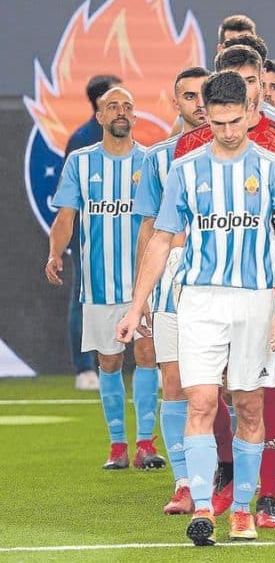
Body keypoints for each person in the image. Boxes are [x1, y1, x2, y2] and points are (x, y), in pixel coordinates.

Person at [117, 71, 275, 545]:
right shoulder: (185, 169)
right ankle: (203, 508)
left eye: (235, 121)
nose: (227, 131)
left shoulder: (274, 168)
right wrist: (137, 307)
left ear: (250, 112)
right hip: (199, 299)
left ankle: (242, 510)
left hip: (256, 301)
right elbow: (161, 240)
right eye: (218, 123)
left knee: (250, 406)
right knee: (199, 400)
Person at [174, 44, 275, 529]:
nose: (246, 89)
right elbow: (172, 227)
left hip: (271, 289)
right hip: (204, 291)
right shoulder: (189, 149)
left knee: (263, 392)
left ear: (261, 84)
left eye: (252, 80)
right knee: (206, 391)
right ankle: (222, 478)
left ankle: (266, 497)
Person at [46, 87, 163, 471]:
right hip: (99, 284)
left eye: (127, 106)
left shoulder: (150, 162)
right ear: (99, 117)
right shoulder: (80, 162)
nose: (120, 111)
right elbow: (66, 217)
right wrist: (54, 253)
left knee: (147, 355)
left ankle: (145, 443)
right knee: (109, 362)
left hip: (143, 284)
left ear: (135, 116)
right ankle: (117, 446)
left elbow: (163, 223)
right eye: (112, 106)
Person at [132, 66, 209, 513]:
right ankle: (184, 482)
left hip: (223, 287)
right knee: (175, 383)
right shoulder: (157, 158)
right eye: (189, 96)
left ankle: (223, 475)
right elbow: (148, 230)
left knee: (224, 387)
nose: (199, 104)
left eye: (204, 94)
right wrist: (139, 295)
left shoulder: (241, 154)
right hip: (170, 290)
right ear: (174, 102)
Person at [64, 74, 123, 390]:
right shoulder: (82, 140)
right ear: (101, 102)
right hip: (90, 234)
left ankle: (150, 363)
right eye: (115, 98)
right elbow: (70, 196)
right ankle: (84, 368)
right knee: (83, 297)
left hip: (125, 230)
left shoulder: (125, 134)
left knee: (141, 293)